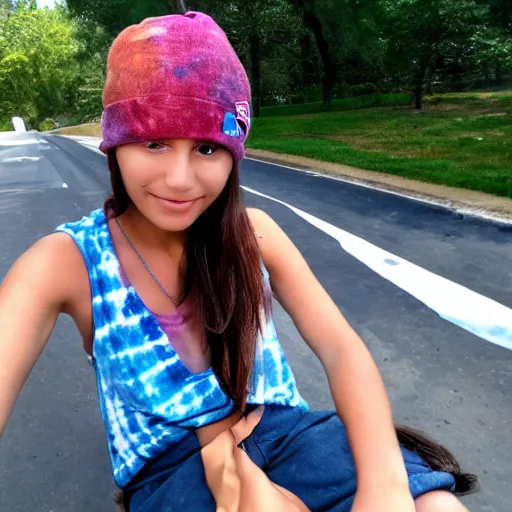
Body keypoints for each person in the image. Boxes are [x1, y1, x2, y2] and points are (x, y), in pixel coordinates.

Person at [0, 10, 477, 512]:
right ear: (115, 144)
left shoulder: (255, 235)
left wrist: (386, 487)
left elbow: (340, 347)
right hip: (172, 475)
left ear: (234, 151)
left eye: (207, 147)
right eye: (154, 142)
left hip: (289, 436)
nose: (180, 179)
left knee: (437, 507)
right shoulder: (65, 262)